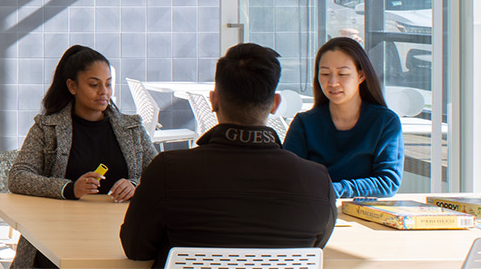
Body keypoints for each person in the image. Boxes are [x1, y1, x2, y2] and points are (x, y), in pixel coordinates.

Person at [120, 44, 336, 265]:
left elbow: (136, 248)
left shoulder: (167, 170)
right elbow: (313, 248)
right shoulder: (317, 180)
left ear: (214, 100)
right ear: (275, 104)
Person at [8, 45, 158, 268]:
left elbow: (159, 175)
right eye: (94, 85)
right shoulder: (47, 128)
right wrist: (69, 189)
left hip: (119, 237)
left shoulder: (132, 128)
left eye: (108, 84)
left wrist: (135, 184)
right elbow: (18, 177)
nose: (104, 92)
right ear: (72, 86)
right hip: (56, 236)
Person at [282, 36, 404, 198]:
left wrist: (334, 190)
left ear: (361, 75)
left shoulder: (385, 122)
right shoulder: (304, 124)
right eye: (325, 73)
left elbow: (388, 182)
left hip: (363, 213)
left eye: (343, 74)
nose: (332, 82)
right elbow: (288, 178)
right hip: (316, 212)